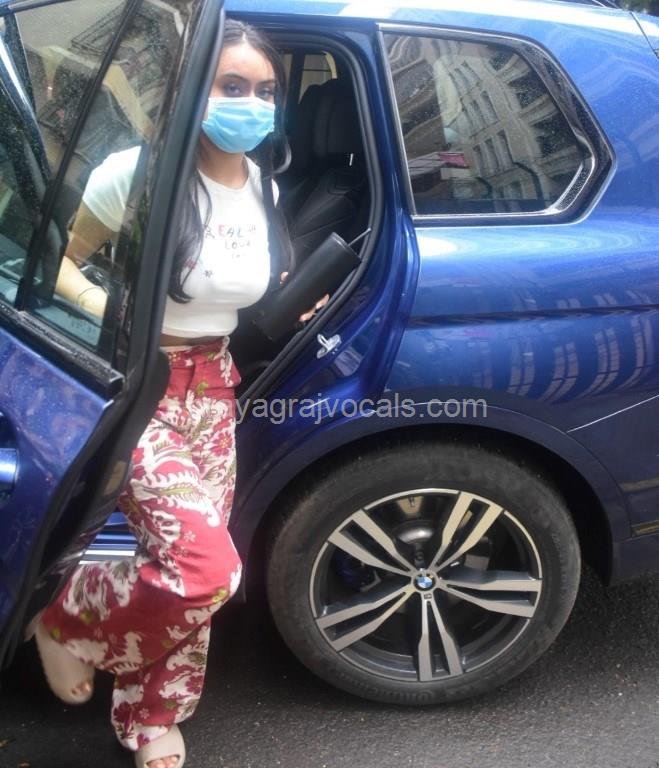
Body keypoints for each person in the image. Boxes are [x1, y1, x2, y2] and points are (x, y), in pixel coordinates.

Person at [28, 19, 324, 768]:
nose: (251, 105)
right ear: (191, 88)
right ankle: (66, 618)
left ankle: (151, 716)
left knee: (189, 569)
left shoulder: (264, 185)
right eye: (232, 86)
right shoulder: (135, 173)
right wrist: (114, 316)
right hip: (143, 387)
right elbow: (63, 265)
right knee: (206, 567)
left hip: (214, 387)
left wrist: (294, 297)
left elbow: (234, 286)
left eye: (265, 92)